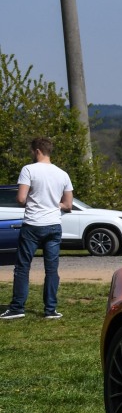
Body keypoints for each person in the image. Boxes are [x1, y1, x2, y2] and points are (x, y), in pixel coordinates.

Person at [2, 137, 75, 321]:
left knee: (22, 267)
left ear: (37, 151)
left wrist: (36, 202)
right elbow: (68, 204)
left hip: (33, 225)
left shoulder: (28, 170)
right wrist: (53, 204)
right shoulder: (62, 174)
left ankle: (18, 307)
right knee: (51, 269)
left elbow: (20, 198)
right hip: (53, 225)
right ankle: (50, 309)